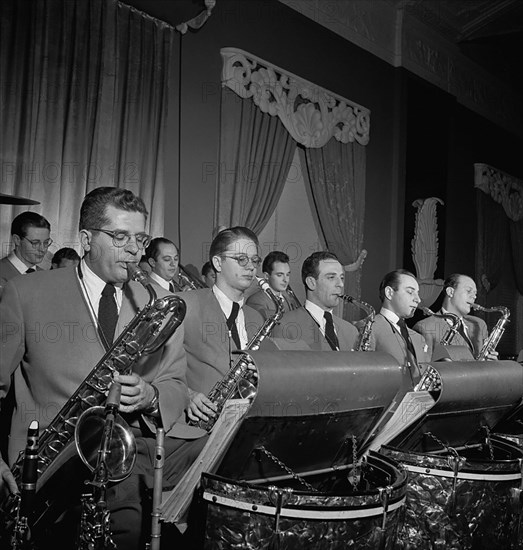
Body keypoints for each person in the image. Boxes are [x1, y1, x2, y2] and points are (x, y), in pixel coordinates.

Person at [0, 187, 206, 549]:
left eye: (140, 239)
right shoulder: (26, 293)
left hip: (123, 478)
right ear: (86, 240)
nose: (134, 250)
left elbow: (175, 381)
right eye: (120, 236)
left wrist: (152, 396)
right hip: (41, 478)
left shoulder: (156, 304)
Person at [180, 227, 265, 424]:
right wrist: (187, 395)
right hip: (197, 427)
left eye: (254, 260)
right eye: (241, 259)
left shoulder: (256, 318)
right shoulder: (186, 305)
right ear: (218, 262)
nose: (251, 267)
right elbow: (155, 372)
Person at [271, 251, 359, 351]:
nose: (340, 284)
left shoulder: (351, 331)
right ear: (311, 283)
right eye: (331, 277)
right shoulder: (284, 325)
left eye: (342, 278)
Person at [367, 269, 430, 387]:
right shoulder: (369, 328)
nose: (418, 299)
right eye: (410, 292)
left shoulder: (418, 337)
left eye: (418, 293)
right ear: (389, 293)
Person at [413, 273, 492, 359]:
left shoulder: (479, 324)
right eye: (468, 291)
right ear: (450, 292)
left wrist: (490, 362)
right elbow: (424, 367)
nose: (474, 297)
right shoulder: (425, 327)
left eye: (475, 293)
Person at [0, 211, 51, 295]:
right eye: (35, 243)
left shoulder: (45, 276)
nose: (43, 249)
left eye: (46, 242)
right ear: (17, 240)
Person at [246, 250, 299, 319]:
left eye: (287, 274)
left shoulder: (288, 300)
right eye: (280, 275)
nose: (285, 280)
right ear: (266, 276)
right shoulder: (255, 301)